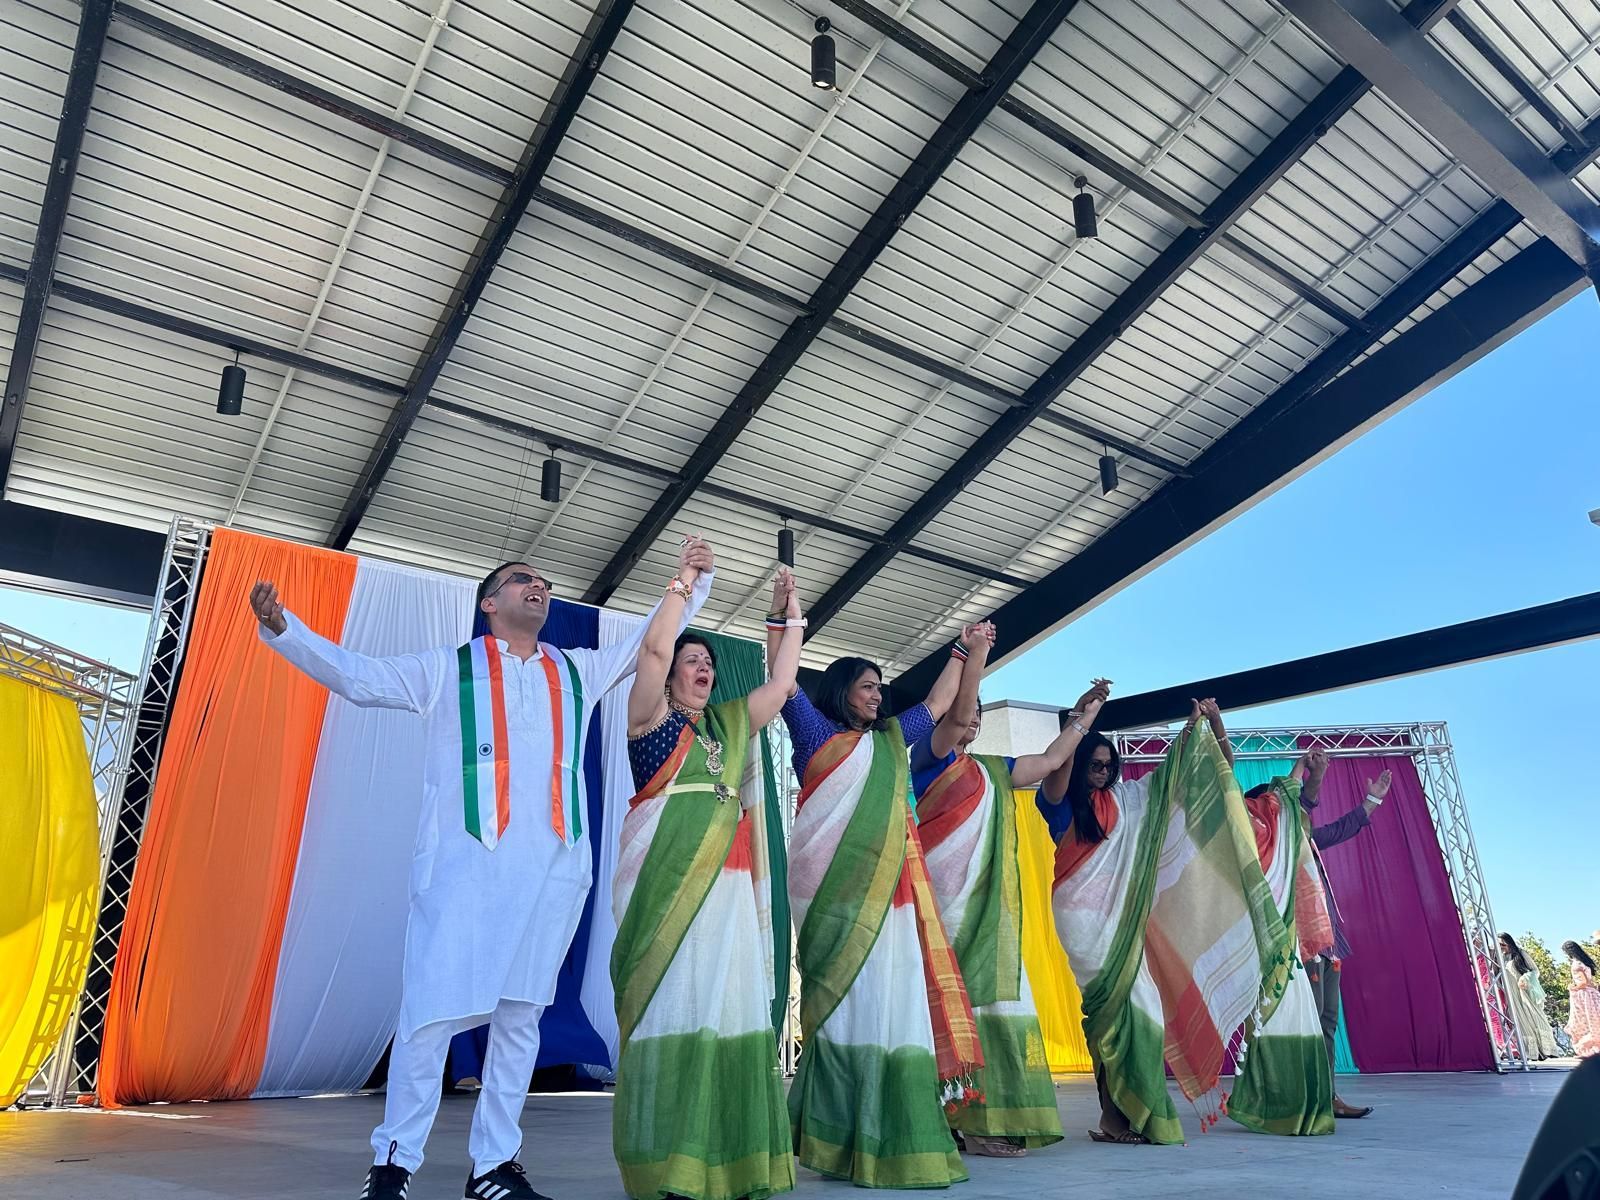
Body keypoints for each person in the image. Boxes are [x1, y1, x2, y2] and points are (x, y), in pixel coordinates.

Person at [249, 540, 715, 1200]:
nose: (540, 585)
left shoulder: (577, 670)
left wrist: (689, 583)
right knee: (429, 1015)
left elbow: (651, 641)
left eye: (545, 580)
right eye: (523, 578)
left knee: (521, 1018)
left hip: (551, 872)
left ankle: (493, 1166)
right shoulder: (447, 668)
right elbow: (359, 677)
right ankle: (392, 1164)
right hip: (465, 873)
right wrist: (283, 628)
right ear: (489, 603)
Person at [609, 566, 806, 1200]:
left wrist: (786, 616)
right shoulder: (647, 720)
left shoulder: (726, 727)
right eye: (691, 661)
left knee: (725, 1017)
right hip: (668, 901)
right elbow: (654, 647)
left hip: (727, 903)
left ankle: (724, 1162)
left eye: (709, 663)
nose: (703, 669)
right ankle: (670, 1166)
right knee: (676, 1015)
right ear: (668, 677)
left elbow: (781, 685)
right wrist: (681, 586)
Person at [771, 594, 981, 1188]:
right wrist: (782, 619)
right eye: (867, 686)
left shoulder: (891, 738)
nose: (877, 695)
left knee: (891, 1009)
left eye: (881, 686)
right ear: (842, 691)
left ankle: (885, 1133)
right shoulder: (814, 732)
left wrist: (965, 648)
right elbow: (783, 683)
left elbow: (939, 703)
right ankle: (838, 1142)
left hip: (891, 896)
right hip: (829, 897)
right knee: (839, 1017)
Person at [1039, 699, 1291, 1147]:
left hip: (1124, 918)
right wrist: (1081, 721)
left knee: (1141, 1010)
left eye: (1107, 765)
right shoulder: (1059, 803)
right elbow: (1057, 769)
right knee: (1108, 1012)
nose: (1101, 771)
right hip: (1083, 919)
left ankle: (1130, 1114)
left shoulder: (1132, 800)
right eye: (1093, 764)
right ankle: (1116, 1118)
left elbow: (1192, 772)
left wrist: (1201, 724)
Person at [909, 626, 1105, 1157]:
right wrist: (978, 654)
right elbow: (952, 713)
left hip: (993, 917)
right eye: (967, 711)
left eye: (977, 713)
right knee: (949, 1012)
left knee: (1000, 1012)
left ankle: (988, 1119)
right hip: (945, 913)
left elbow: (1050, 759)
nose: (971, 718)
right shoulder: (929, 760)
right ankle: (959, 1123)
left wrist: (1083, 719)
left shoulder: (994, 771)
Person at [1295, 748, 1392, 1118]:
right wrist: (1308, 774)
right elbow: (1302, 801)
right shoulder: (1270, 851)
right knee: (1307, 1020)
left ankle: (1328, 1096)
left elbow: (1342, 827)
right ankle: (1301, 1097)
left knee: (1328, 1020)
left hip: (1328, 941)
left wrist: (1373, 799)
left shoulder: (1311, 844)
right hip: (1296, 944)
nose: (1302, 819)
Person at [1499, 934, 1559, 1061]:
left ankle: (1547, 1049)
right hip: (1512, 995)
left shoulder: (1521, 954)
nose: (1502, 947)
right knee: (1521, 1023)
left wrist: (1525, 978)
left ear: (1509, 943)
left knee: (1535, 1018)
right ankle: (1531, 1052)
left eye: (1503, 944)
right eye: (1499, 945)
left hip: (1525, 992)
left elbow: (1535, 970)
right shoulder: (1500, 958)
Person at [1563, 941, 1600, 1058]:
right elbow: (1590, 982)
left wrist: (1573, 987)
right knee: (1593, 1021)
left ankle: (1585, 1050)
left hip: (1583, 996)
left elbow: (1583, 982)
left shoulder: (1576, 965)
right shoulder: (1584, 963)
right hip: (1591, 994)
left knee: (1580, 1022)